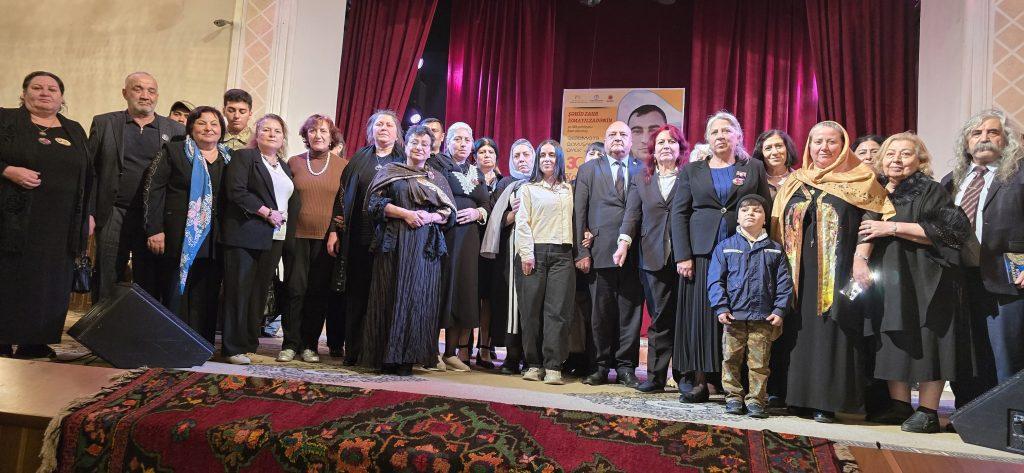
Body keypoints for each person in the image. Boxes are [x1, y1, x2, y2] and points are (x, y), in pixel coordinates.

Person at [769, 120, 894, 423]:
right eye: (817, 141)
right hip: (797, 273)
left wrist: (861, 258)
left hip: (841, 272)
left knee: (834, 329)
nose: (823, 148)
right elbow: (776, 223)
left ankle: (826, 401)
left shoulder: (862, 180)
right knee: (798, 329)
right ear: (808, 146)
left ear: (843, 146)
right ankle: (796, 397)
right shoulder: (795, 180)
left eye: (831, 142)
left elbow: (872, 223)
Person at [855, 132, 973, 433]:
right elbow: (867, 228)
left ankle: (928, 410)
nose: (896, 159)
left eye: (905, 154)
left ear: (919, 160)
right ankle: (900, 405)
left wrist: (892, 228)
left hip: (927, 278)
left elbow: (951, 232)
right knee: (892, 336)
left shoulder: (931, 190)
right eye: (890, 153)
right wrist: (860, 260)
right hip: (890, 276)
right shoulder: (877, 189)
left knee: (929, 340)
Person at [671, 111, 772, 403]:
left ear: (738, 135)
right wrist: (683, 255)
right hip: (700, 253)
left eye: (726, 130)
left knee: (738, 316)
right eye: (714, 132)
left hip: (743, 254)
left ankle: (735, 384)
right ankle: (700, 380)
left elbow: (764, 207)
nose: (720, 136)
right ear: (707, 138)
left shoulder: (753, 167)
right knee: (701, 316)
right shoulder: (692, 171)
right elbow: (679, 213)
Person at [0, 71, 92, 359]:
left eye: (52, 89)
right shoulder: (5, 119)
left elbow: (88, 174)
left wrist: (88, 214)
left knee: (50, 283)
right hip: (12, 218)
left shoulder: (73, 129)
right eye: (37, 87)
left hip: (61, 222)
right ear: (24, 93)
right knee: (8, 278)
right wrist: (8, 170)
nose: (44, 93)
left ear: (61, 97)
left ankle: (36, 341)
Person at [942, 108, 1024, 407]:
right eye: (976, 133)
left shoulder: (1020, 175)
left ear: (1006, 139)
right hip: (960, 280)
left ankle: (1010, 420)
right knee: (967, 354)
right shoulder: (951, 181)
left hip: (1008, 279)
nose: (984, 138)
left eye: (993, 132)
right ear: (966, 143)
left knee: (1007, 355)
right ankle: (969, 416)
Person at [359, 125, 456, 375]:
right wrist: (406, 214)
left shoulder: (437, 178)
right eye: (415, 142)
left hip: (425, 247)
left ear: (431, 149)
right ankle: (385, 357)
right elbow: (374, 204)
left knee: (418, 298)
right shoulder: (391, 171)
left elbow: (449, 212)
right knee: (389, 294)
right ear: (406, 145)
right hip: (394, 243)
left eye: (425, 144)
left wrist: (429, 217)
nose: (419, 148)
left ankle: (408, 359)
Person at [89, 72, 184, 302]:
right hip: (113, 212)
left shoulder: (175, 131)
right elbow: (91, 171)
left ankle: (139, 325)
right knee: (107, 276)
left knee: (148, 281)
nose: (145, 96)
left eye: (151, 91)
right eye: (138, 89)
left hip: (153, 218)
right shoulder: (105, 123)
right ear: (125, 93)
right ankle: (102, 324)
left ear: (157, 96)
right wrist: (89, 212)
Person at [143, 106, 230, 345]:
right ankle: (173, 342)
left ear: (221, 130)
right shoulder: (174, 151)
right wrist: (154, 229)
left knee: (207, 292)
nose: (208, 128)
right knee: (176, 290)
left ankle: (201, 344)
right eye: (202, 123)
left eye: (214, 124)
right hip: (179, 235)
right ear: (191, 127)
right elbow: (154, 190)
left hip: (214, 238)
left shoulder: (229, 157)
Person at [613, 124, 689, 392]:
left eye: (672, 142)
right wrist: (623, 243)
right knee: (660, 317)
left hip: (685, 257)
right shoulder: (641, 178)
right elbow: (632, 214)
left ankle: (685, 377)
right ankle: (656, 377)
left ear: (680, 149)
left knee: (685, 317)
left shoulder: (690, 175)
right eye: (661, 143)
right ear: (653, 151)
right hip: (652, 255)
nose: (666, 146)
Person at [220, 114, 300, 364]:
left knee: (258, 292)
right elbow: (236, 191)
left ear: (283, 137)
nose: (272, 134)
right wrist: (266, 212)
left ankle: (247, 342)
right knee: (239, 290)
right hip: (245, 234)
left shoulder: (284, 166)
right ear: (257, 134)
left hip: (275, 237)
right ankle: (232, 348)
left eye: (277, 131)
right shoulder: (244, 157)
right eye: (266, 129)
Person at [327, 109, 405, 365]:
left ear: (397, 132)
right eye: (379, 124)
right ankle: (354, 351)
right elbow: (341, 194)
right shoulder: (360, 157)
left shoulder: (403, 158)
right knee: (357, 295)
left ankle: (378, 352)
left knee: (383, 296)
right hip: (358, 237)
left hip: (389, 239)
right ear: (371, 130)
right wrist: (334, 229)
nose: (383, 128)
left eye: (389, 125)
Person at [574, 121, 644, 387]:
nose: (617, 138)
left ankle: (626, 368)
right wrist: (582, 251)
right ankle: (600, 366)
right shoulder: (589, 169)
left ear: (631, 141)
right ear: (604, 141)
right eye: (612, 134)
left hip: (635, 253)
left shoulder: (642, 169)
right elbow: (580, 213)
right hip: (599, 251)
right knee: (600, 313)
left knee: (630, 313)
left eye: (623, 134)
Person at [708, 194, 791, 418]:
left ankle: (756, 400)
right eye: (745, 210)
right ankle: (733, 397)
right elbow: (715, 281)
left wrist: (779, 310)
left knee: (759, 363)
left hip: (763, 318)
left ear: (765, 218)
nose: (750, 214)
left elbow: (784, 283)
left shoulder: (775, 249)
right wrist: (721, 306)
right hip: (733, 317)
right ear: (737, 217)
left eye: (757, 210)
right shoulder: (725, 247)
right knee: (730, 359)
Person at [282, 114, 348, 363]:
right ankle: (290, 344)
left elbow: (342, 205)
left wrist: (334, 231)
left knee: (317, 293)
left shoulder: (343, 166)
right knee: (294, 290)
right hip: (296, 236)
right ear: (306, 135)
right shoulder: (294, 162)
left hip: (326, 240)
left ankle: (309, 345)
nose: (317, 135)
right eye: (312, 131)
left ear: (332, 137)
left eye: (323, 131)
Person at [513, 140, 575, 384]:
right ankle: (533, 364)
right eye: (542, 155)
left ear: (559, 159)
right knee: (530, 312)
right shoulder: (528, 189)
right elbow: (522, 222)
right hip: (533, 253)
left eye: (552, 155)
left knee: (557, 312)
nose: (547, 159)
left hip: (562, 255)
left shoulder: (569, 189)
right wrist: (527, 253)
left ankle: (553, 366)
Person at [430, 122, 490, 371]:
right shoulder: (436, 165)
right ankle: (430, 351)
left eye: (467, 140)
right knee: (441, 289)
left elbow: (486, 204)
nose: (463, 144)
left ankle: (451, 353)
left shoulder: (476, 172)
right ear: (447, 141)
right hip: (444, 236)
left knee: (462, 291)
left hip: (469, 241)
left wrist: (477, 213)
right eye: (457, 139)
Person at [481, 139, 535, 375]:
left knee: (533, 303)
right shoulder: (505, 184)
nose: (521, 159)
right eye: (516, 155)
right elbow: (495, 220)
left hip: (539, 251)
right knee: (511, 304)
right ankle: (512, 356)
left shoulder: (543, 182)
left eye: (526, 154)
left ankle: (532, 357)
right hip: (510, 254)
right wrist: (514, 213)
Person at [473, 137, 502, 368]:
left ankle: (485, 346)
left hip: (495, 246)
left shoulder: (503, 182)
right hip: (472, 241)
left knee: (489, 298)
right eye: (482, 151)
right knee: (471, 295)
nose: (486, 155)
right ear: (475, 157)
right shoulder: (468, 178)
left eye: (490, 152)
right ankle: (463, 345)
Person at [751, 129, 798, 197]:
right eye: (768, 148)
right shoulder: (754, 180)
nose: (775, 152)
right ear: (761, 153)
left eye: (779, 146)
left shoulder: (799, 179)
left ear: (787, 149)